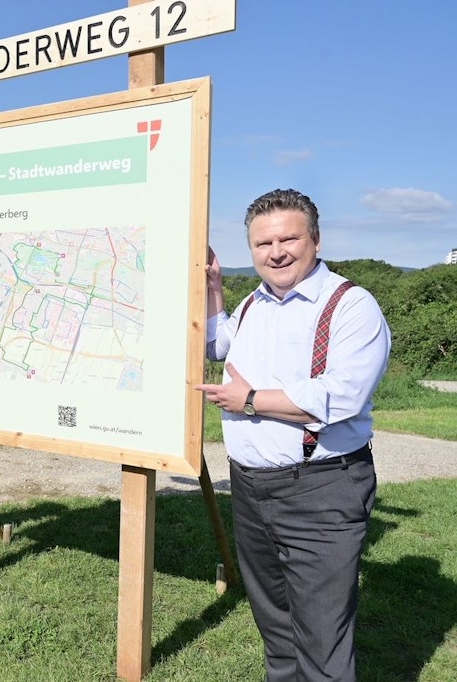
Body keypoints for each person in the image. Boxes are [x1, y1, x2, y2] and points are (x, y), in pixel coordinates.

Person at [195, 189, 391, 681]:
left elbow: (341, 396)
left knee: (322, 640)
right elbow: (218, 345)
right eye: (263, 244)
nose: (276, 252)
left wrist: (250, 400)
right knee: (276, 628)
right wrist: (215, 289)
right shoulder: (254, 304)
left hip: (321, 488)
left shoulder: (351, 305)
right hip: (251, 488)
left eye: (289, 239)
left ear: (316, 241)